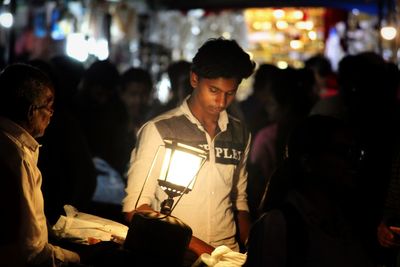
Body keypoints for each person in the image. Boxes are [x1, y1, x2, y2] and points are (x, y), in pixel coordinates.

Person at [122, 37, 256, 256]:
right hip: (176, 255)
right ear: (194, 79)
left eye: (230, 93)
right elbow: (135, 209)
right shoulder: (160, 130)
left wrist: (249, 246)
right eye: (214, 90)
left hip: (229, 256)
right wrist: (202, 249)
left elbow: (239, 199)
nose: (221, 102)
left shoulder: (240, 133)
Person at [245, 115, 374, 267]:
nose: (353, 162)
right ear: (308, 162)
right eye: (343, 152)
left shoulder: (345, 220)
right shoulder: (280, 225)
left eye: (356, 153)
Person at [0, 63, 80, 266]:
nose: (51, 115)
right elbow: (30, 250)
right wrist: (77, 258)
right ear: (31, 111)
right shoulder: (17, 159)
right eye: (49, 108)